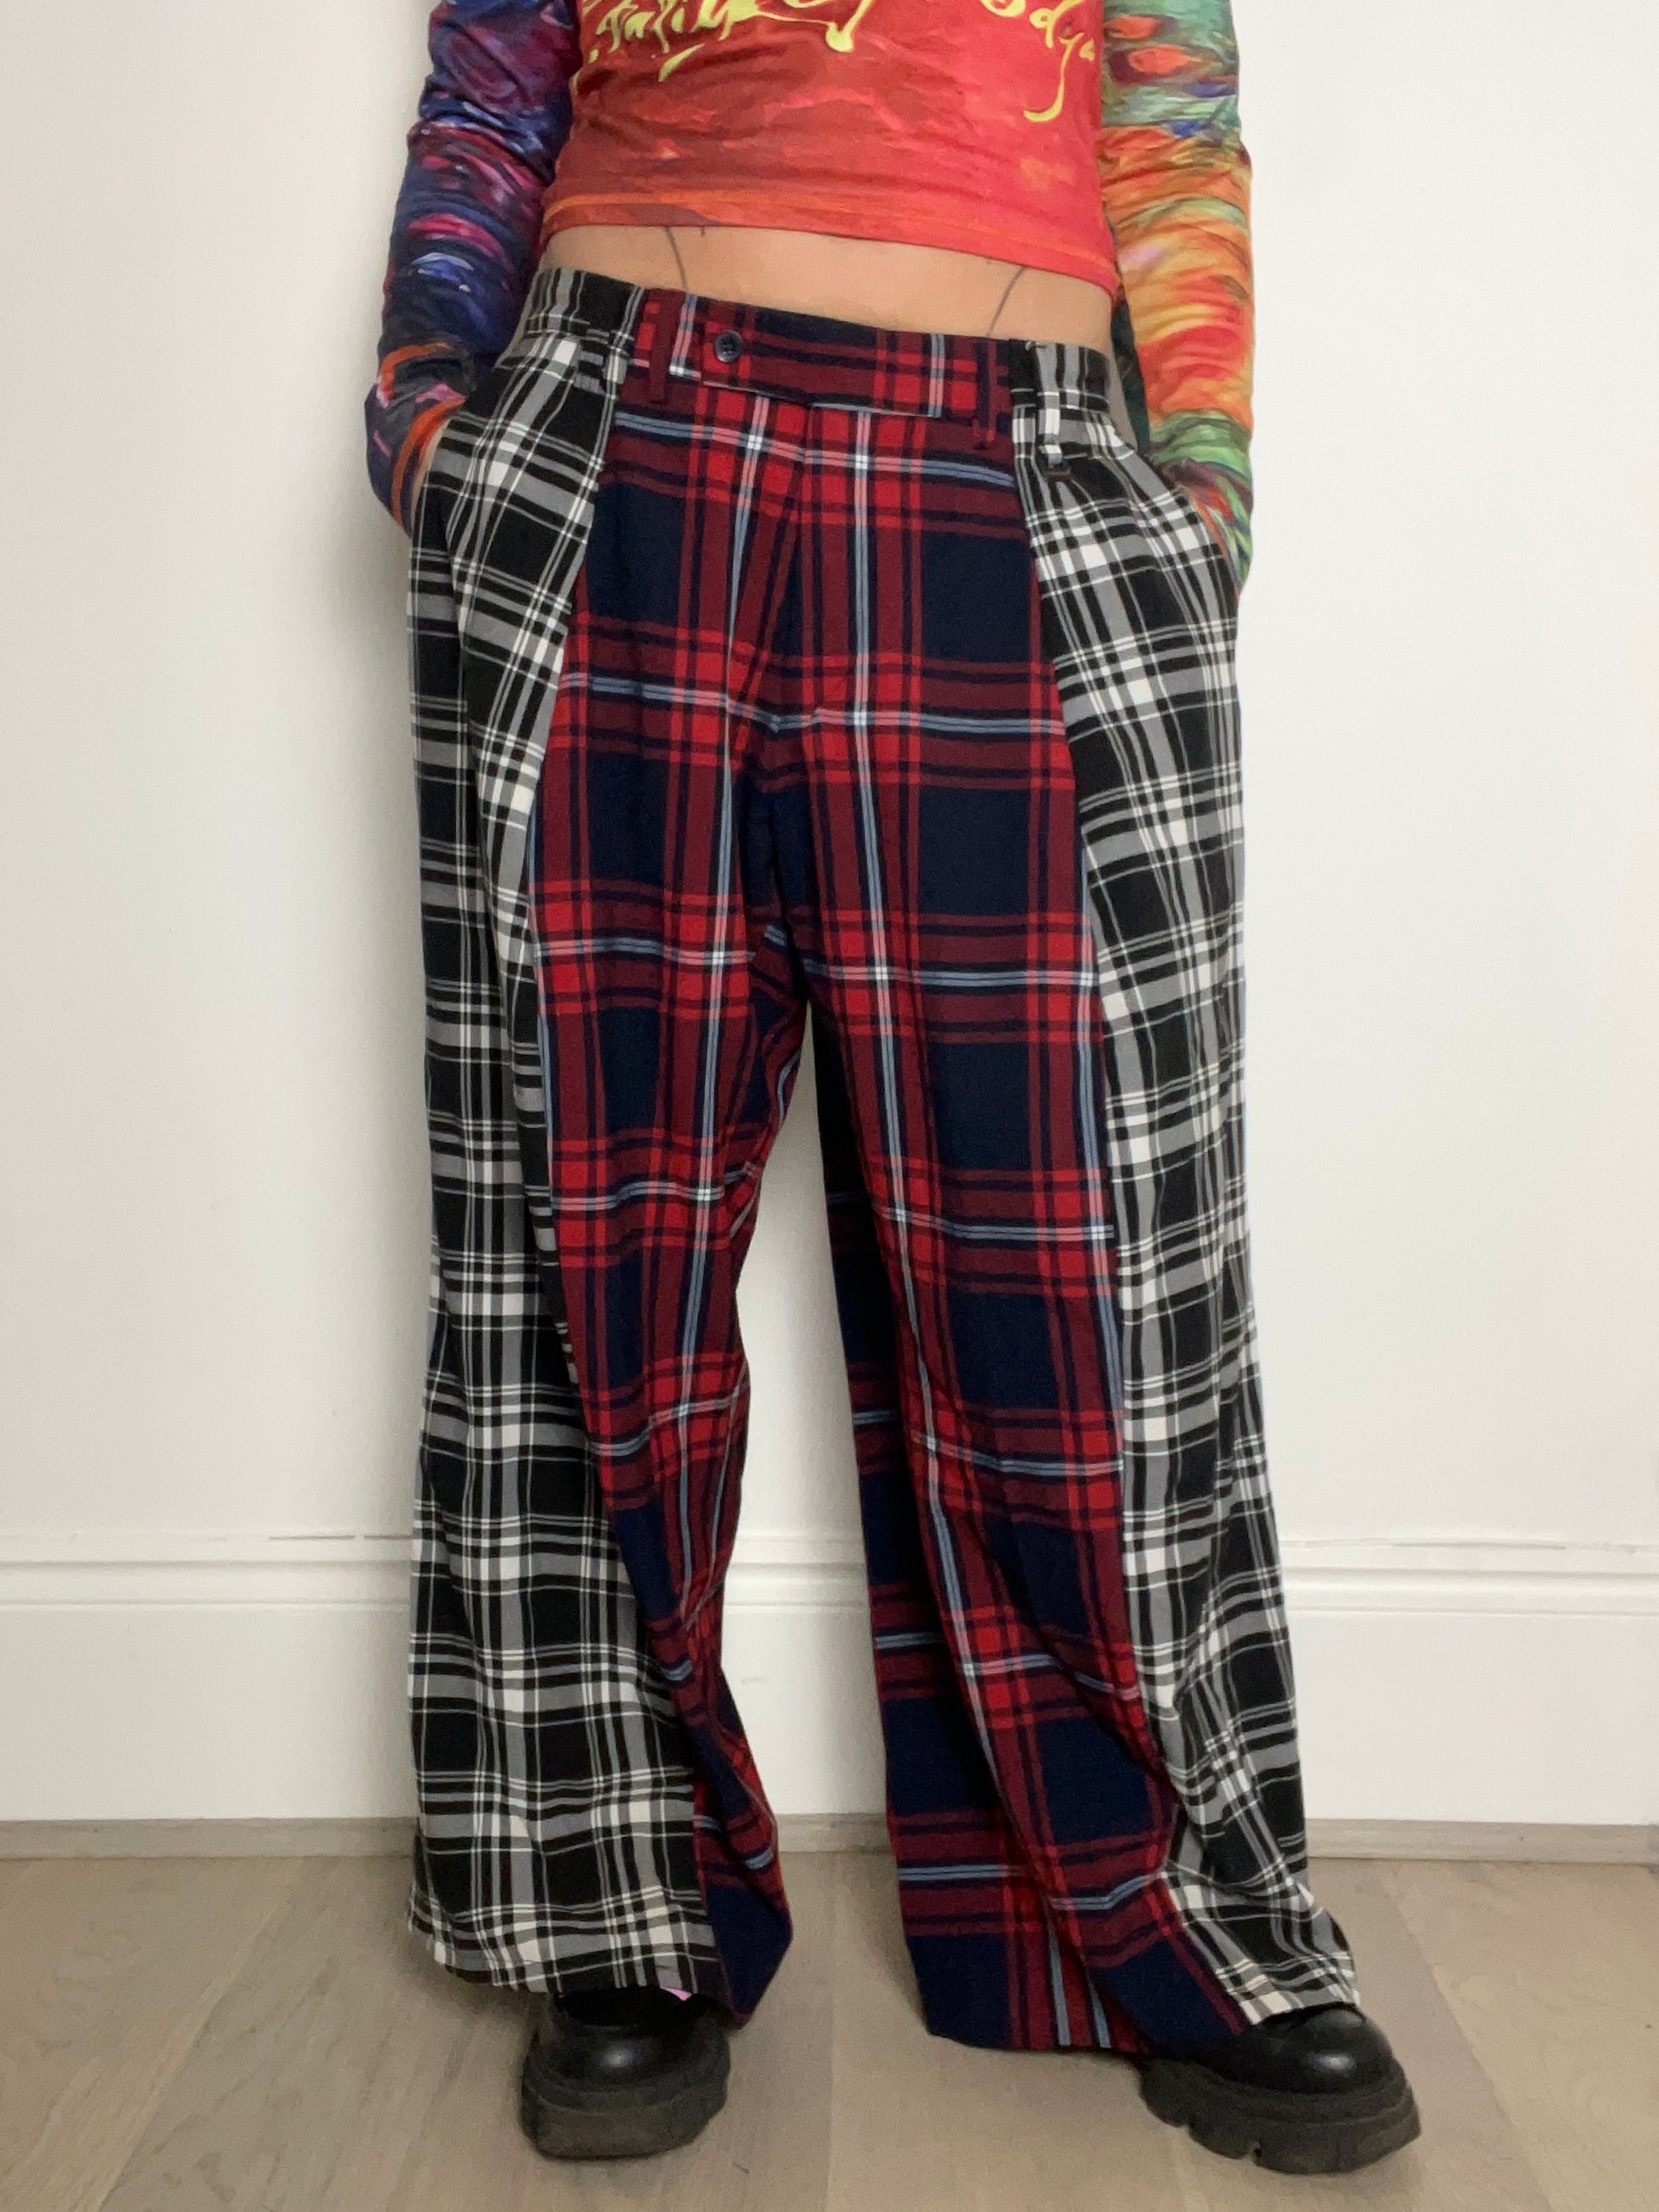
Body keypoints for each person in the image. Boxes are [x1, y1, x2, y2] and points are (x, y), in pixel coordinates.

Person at [364, 0, 1421, 2177]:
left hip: (1019, 461)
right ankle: (622, 1903)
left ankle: (1151, 1906)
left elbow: (1173, 113)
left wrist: (1200, 489)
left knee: (1082, 1246)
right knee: (589, 1222)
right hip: (614, 446)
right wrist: (430, 427)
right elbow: (490, 88)